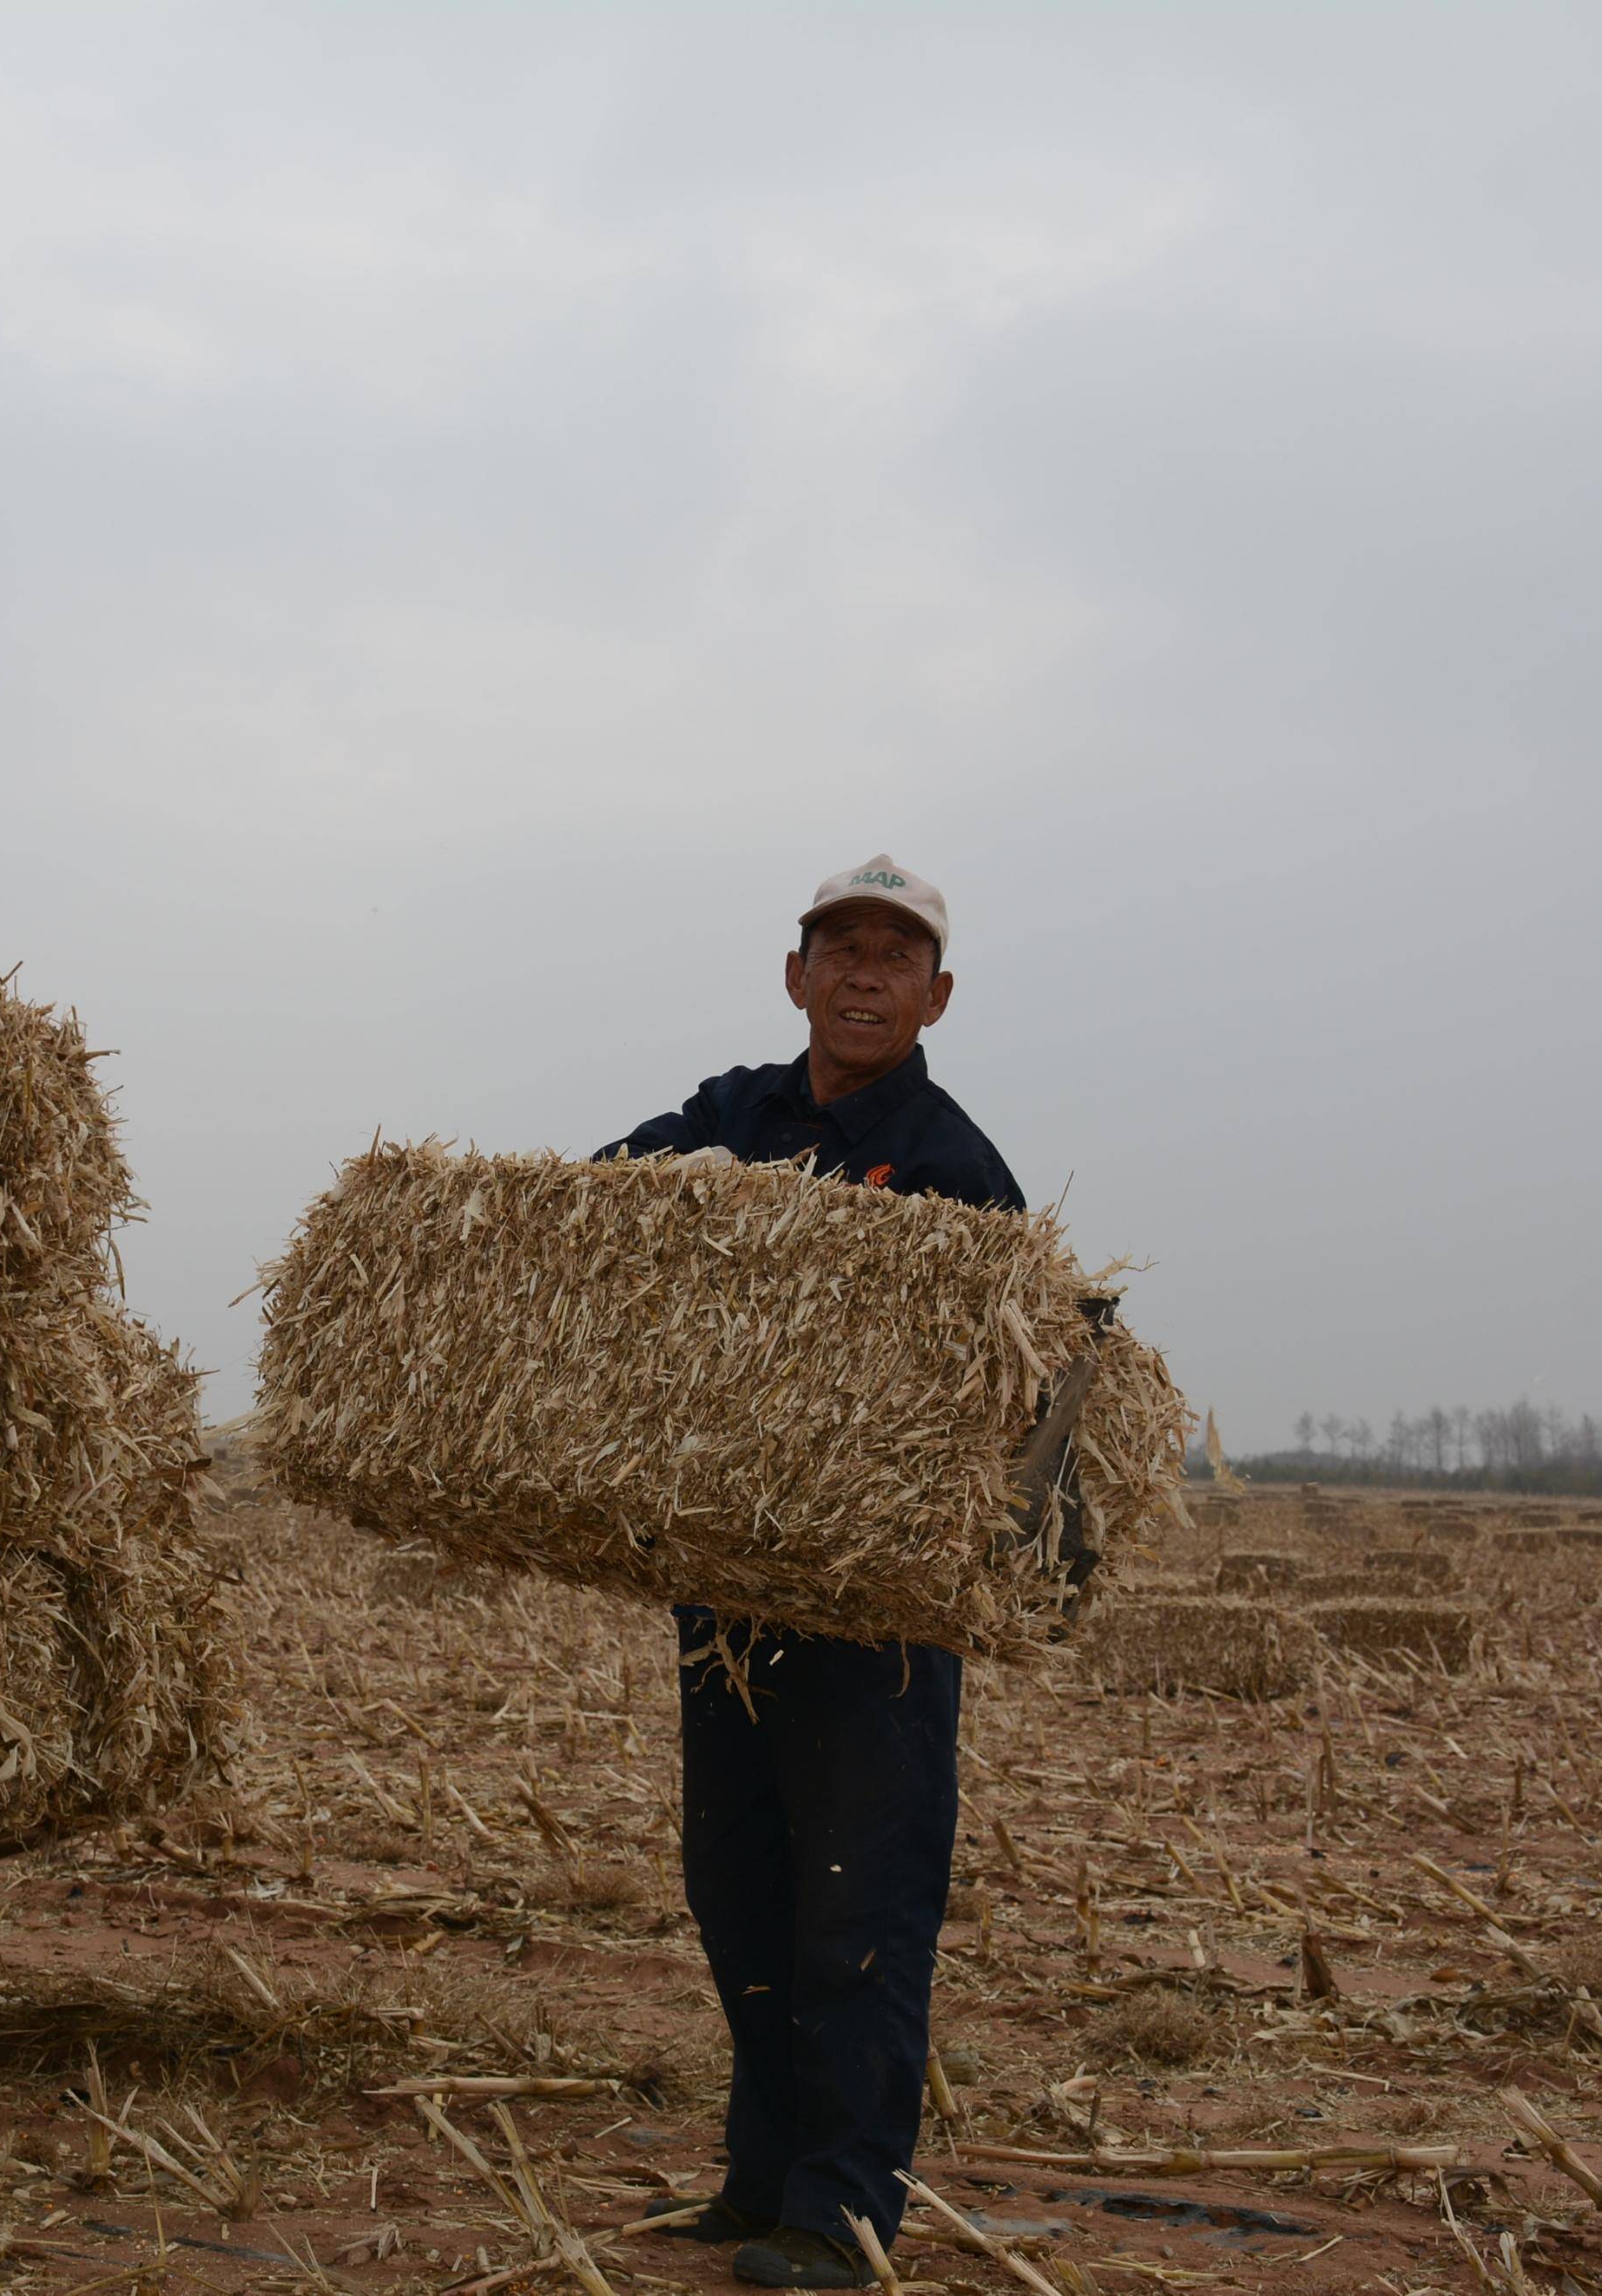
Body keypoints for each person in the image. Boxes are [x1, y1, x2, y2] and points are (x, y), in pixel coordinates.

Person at [599, 855, 1022, 2290]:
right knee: (741, 1886)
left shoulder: (960, 1168)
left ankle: (842, 2212)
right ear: (795, 976)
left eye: (894, 956)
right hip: (731, 1592)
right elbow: (584, 1214)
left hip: (877, 1620)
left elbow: (1021, 1385)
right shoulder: (736, 1112)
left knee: (860, 1903)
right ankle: (761, 2176)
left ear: (936, 997)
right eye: (839, 946)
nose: (862, 973)